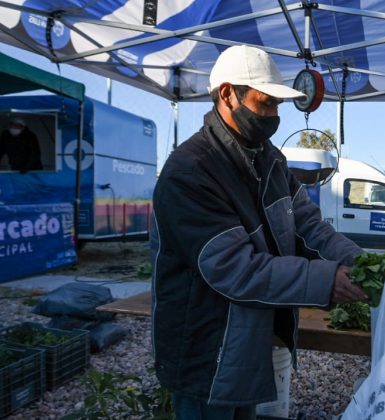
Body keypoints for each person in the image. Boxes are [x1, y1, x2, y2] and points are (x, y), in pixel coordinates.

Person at [150, 45, 366, 419]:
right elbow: (235, 269)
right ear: (227, 94)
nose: (273, 116)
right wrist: (326, 280)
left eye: (277, 107)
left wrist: (363, 265)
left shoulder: (270, 159)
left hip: (247, 342)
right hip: (206, 348)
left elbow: (310, 226)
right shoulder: (190, 171)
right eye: (265, 103)